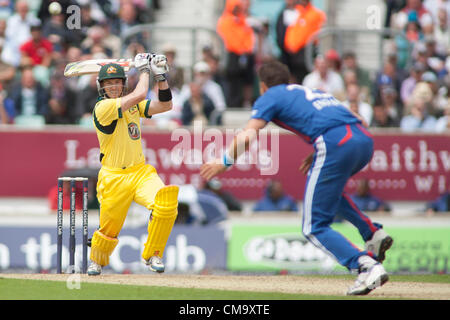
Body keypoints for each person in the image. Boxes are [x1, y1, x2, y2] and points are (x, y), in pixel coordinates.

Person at [200, 60, 393, 296]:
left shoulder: (270, 96)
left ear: (262, 85)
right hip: (363, 140)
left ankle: (366, 265)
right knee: (329, 193)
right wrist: (321, 149)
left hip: (335, 143)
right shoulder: (311, 91)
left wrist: (224, 162)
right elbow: (359, 120)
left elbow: (247, 136)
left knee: (314, 226)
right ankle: (371, 232)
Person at [87, 53, 179, 276]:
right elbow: (139, 93)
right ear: (102, 87)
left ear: (123, 83)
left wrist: (160, 75)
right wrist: (145, 70)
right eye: (108, 83)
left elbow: (166, 105)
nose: (114, 87)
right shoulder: (103, 108)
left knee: (166, 203)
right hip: (113, 177)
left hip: (140, 172)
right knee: (108, 230)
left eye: (117, 82)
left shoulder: (133, 107)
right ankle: (96, 261)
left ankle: (153, 253)